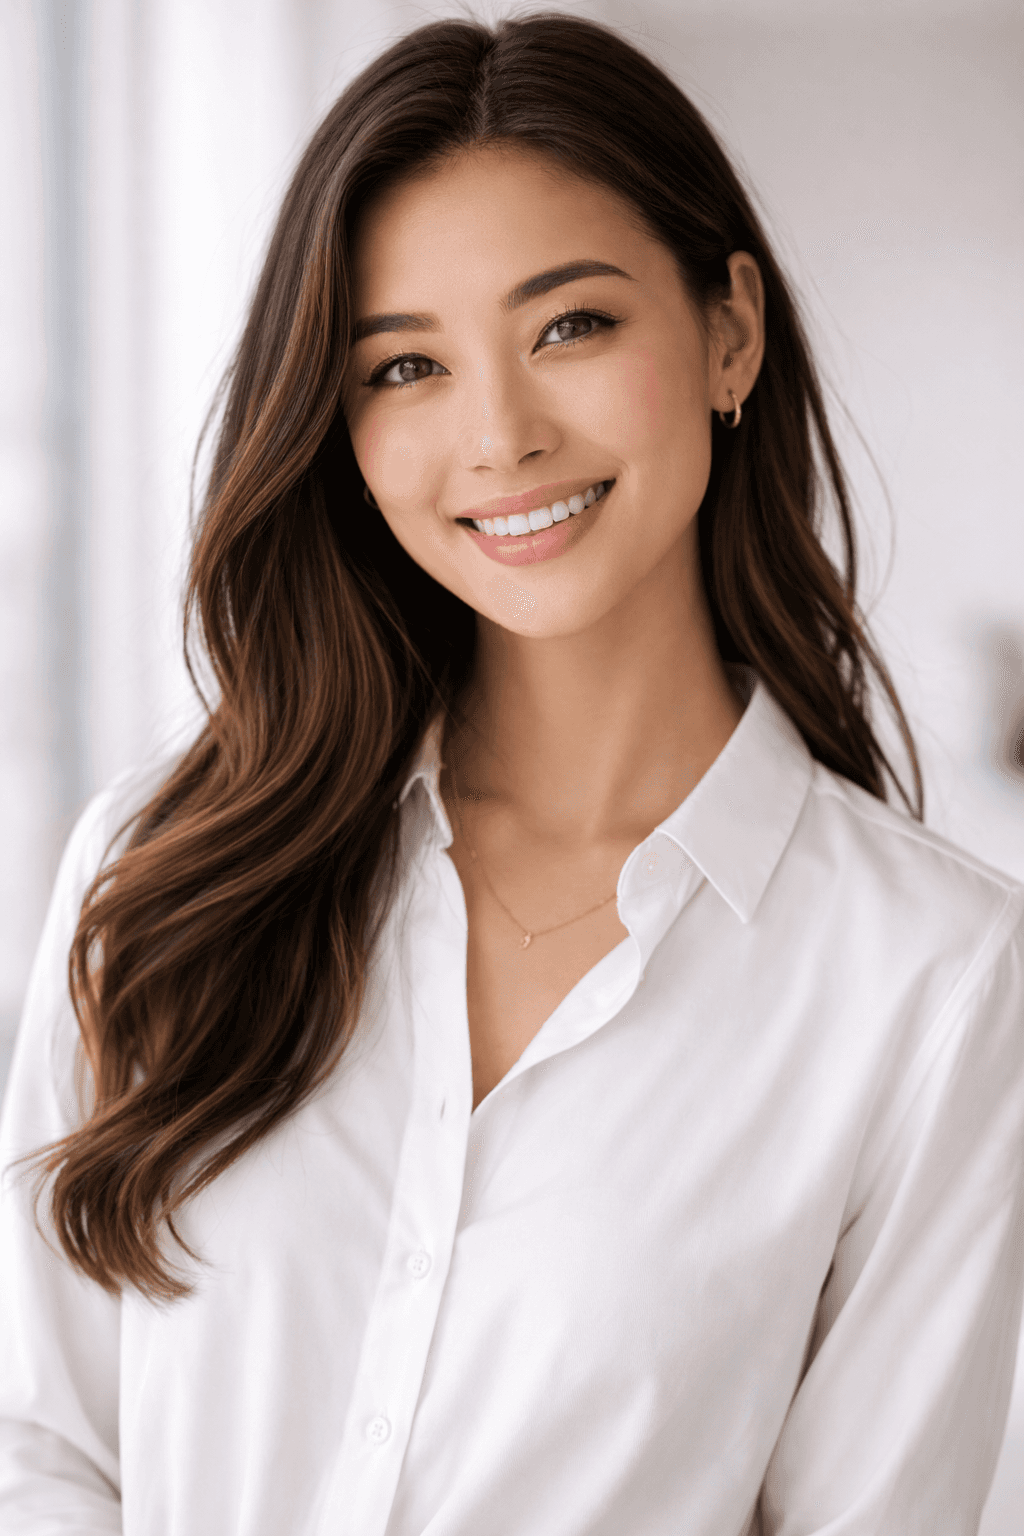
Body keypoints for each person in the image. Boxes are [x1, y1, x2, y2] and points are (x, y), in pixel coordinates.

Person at [2, 13, 1022, 1535]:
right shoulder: (160, 874)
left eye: (571, 327)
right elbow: (38, 1448)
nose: (498, 435)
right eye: (404, 366)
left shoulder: (931, 980)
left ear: (730, 331)